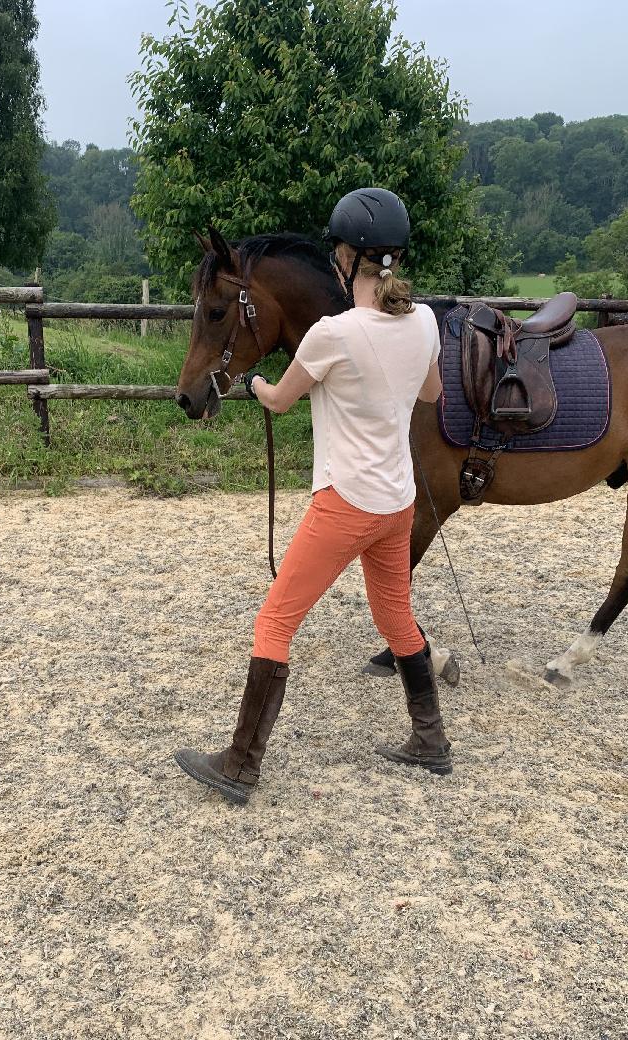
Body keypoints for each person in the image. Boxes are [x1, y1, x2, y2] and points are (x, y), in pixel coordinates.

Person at [175, 187, 452, 802]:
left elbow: (280, 398)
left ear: (348, 259)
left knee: (275, 620)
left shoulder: (331, 335)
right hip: (396, 501)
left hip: (346, 502)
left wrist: (255, 383)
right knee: (395, 616)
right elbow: (432, 394)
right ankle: (429, 739)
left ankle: (241, 763)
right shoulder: (426, 320)